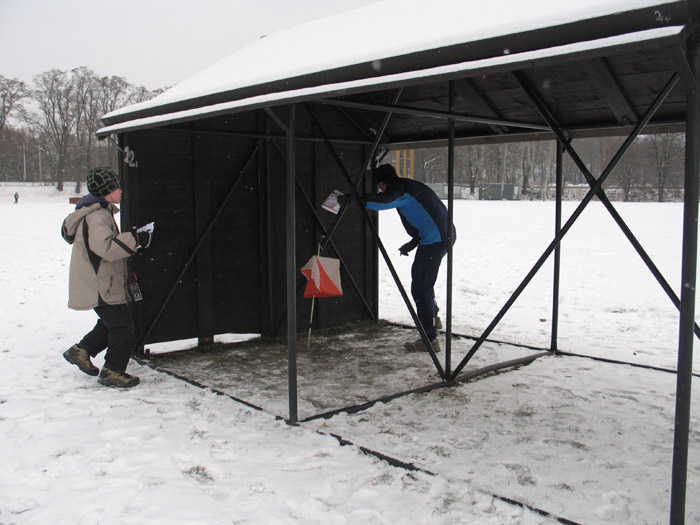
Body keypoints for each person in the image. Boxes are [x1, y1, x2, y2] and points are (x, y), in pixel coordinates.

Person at [61, 167, 152, 388]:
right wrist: (135, 239)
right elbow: (105, 247)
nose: (121, 190)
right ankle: (113, 371)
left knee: (112, 322)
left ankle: (81, 351)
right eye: (117, 186)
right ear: (106, 191)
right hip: (100, 284)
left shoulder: (96, 212)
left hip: (99, 282)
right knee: (123, 326)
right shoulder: (98, 215)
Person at [359, 164, 456, 353]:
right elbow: (428, 213)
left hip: (435, 239)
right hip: (440, 235)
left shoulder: (398, 189)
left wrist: (356, 200)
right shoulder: (409, 185)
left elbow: (385, 202)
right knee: (424, 280)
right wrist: (414, 241)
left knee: (420, 287)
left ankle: (429, 340)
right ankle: (433, 318)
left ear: (381, 183)